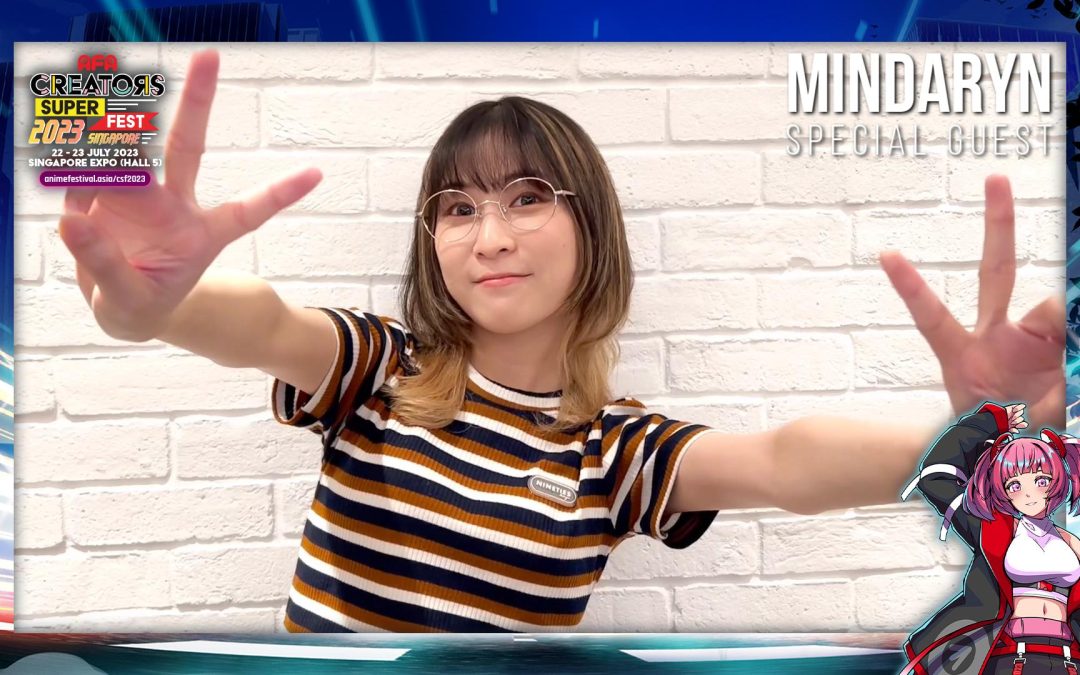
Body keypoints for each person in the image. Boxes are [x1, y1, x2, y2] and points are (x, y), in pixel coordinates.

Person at [55, 50, 1067, 632]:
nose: (489, 236)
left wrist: (994, 437)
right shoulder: (377, 370)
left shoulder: (614, 453)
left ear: (593, 230)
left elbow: (783, 461)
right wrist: (151, 307)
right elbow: (261, 325)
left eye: (527, 197)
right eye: (458, 209)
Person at [900, 403, 1080, 675]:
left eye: (1041, 480)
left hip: (1068, 658)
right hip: (1008, 655)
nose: (1029, 494)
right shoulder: (992, 529)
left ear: (1057, 480)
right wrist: (988, 423)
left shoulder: (1071, 543)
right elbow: (936, 476)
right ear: (1001, 490)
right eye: (1014, 485)